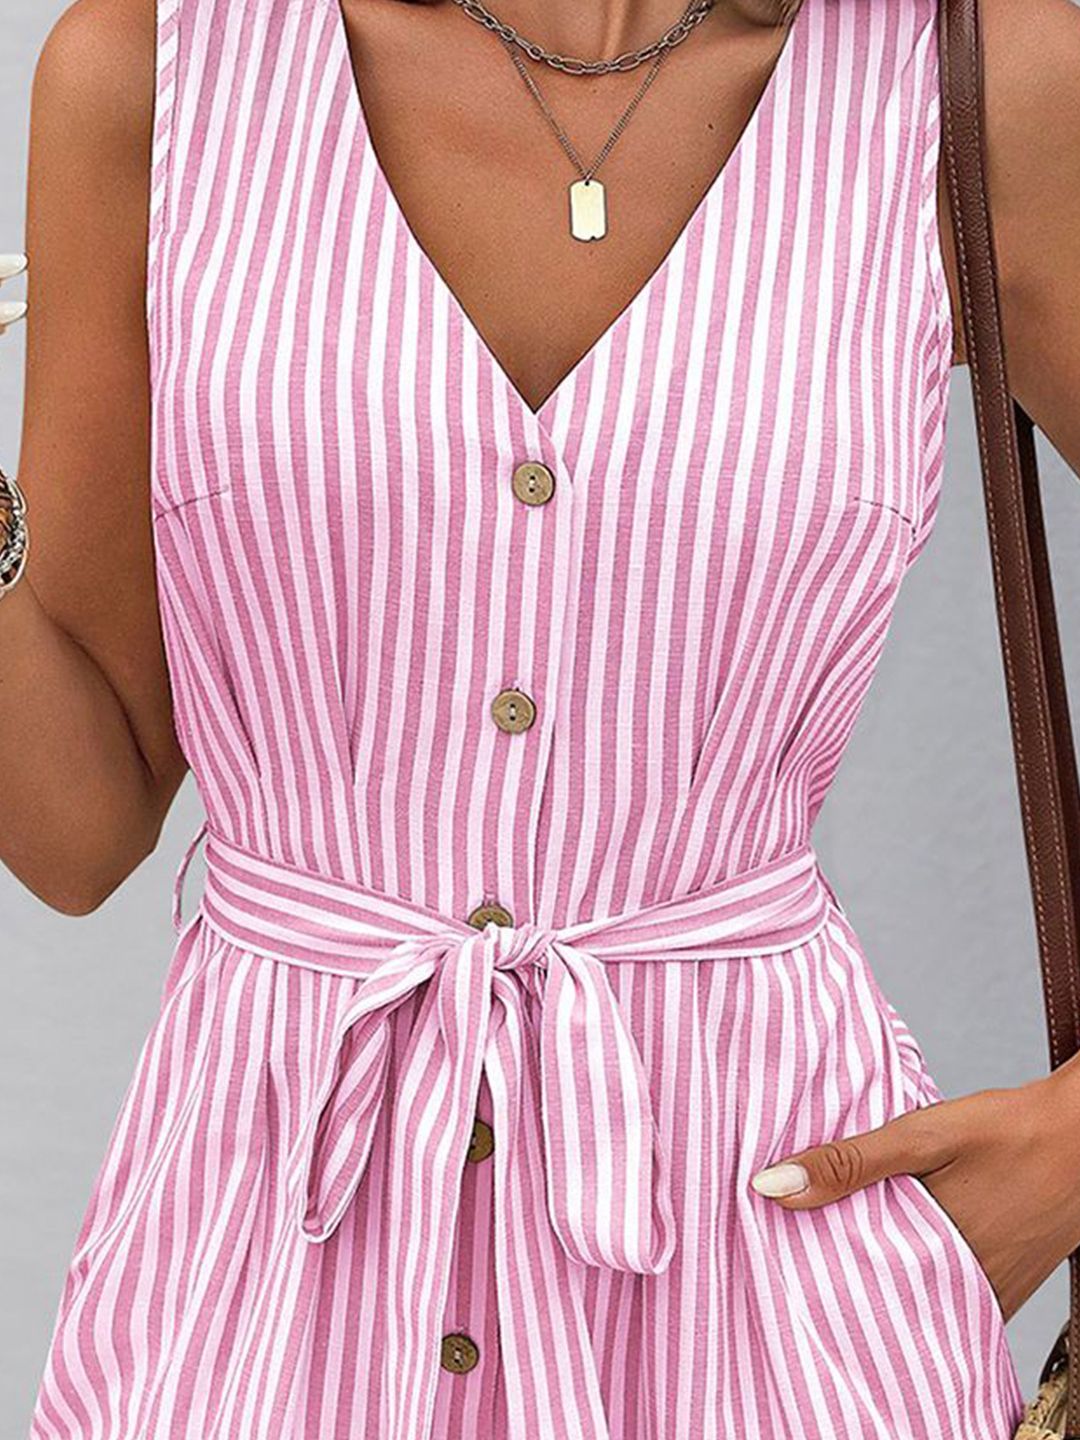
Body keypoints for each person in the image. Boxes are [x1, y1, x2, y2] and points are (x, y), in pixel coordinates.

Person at [4, 0, 1080, 1435]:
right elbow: (74, 829)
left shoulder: (978, 76)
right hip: (255, 1293)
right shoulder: (154, 65)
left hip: (760, 1287)